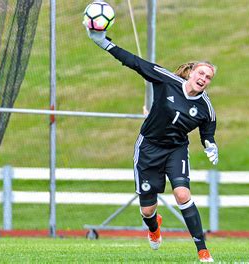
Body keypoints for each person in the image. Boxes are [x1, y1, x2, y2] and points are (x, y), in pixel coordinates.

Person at [86, 29, 218, 263]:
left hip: (176, 150)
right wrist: (104, 43)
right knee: (148, 209)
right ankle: (154, 226)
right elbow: (135, 62)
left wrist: (210, 145)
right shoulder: (166, 80)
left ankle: (202, 250)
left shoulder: (206, 108)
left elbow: (208, 131)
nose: (203, 79)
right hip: (149, 148)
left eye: (208, 77)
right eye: (201, 73)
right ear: (191, 73)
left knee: (182, 193)